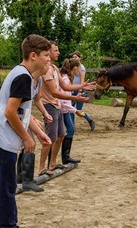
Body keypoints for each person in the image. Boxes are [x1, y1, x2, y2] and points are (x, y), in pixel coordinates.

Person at [0, 34, 52, 228]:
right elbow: (10, 113)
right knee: (6, 187)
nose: (49, 59)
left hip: (4, 137)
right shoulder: (23, 77)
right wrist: (26, 138)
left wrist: (38, 133)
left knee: (10, 185)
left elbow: (21, 111)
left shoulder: (25, 76)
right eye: (46, 55)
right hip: (2, 137)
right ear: (33, 55)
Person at [38, 41, 95, 177]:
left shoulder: (54, 69)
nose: (58, 53)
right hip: (49, 105)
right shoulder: (46, 70)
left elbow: (64, 86)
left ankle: (52, 163)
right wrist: (75, 99)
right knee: (49, 139)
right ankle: (41, 168)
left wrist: (81, 87)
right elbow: (54, 92)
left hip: (56, 105)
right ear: (48, 52)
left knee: (61, 135)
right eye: (55, 50)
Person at [16, 62, 53, 192]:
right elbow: (17, 107)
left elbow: (37, 100)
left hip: (24, 116)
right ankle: (23, 179)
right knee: (26, 144)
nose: (49, 65)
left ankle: (23, 179)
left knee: (29, 144)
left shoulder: (39, 81)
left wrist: (44, 113)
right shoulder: (27, 80)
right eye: (46, 61)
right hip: (16, 117)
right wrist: (31, 118)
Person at [60, 58, 86, 165]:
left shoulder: (67, 78)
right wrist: (75, 111)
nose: (79, 71)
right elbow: (65, 101)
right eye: (78, 69)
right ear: (75, 68)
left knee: (70, 129)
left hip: (65, 109)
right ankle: (65, 157)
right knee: (68, 130)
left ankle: (66, 156)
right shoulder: (65, 80)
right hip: (63, 109)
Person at [71, 51, 95, 131]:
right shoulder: (73, 67)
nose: (74, 58)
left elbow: (82, 79)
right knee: (71, 109)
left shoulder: (82, 68)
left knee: (79, 111)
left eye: (76, 57)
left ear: (79, 58)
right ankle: (72, 126)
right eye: (73, 57)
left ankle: (90, 120)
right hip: (73, 89)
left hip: (79, 90)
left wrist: (80, 91)